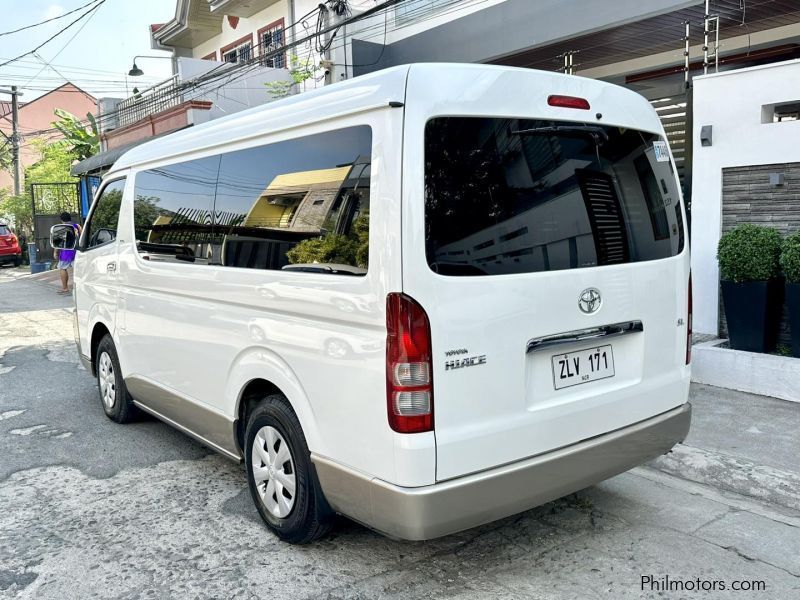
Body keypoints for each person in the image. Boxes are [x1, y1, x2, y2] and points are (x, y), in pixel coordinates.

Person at [54, 212, 81, 294]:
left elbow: (57, 242)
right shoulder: (77, 226)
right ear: (70, 218)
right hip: (76, 250)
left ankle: (65, 288)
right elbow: (82, 236)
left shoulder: (61, 228)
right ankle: (80, 288)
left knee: (63, 268)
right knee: (78, 269)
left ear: (62, 220)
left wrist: (55, 252)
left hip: (65, 252)